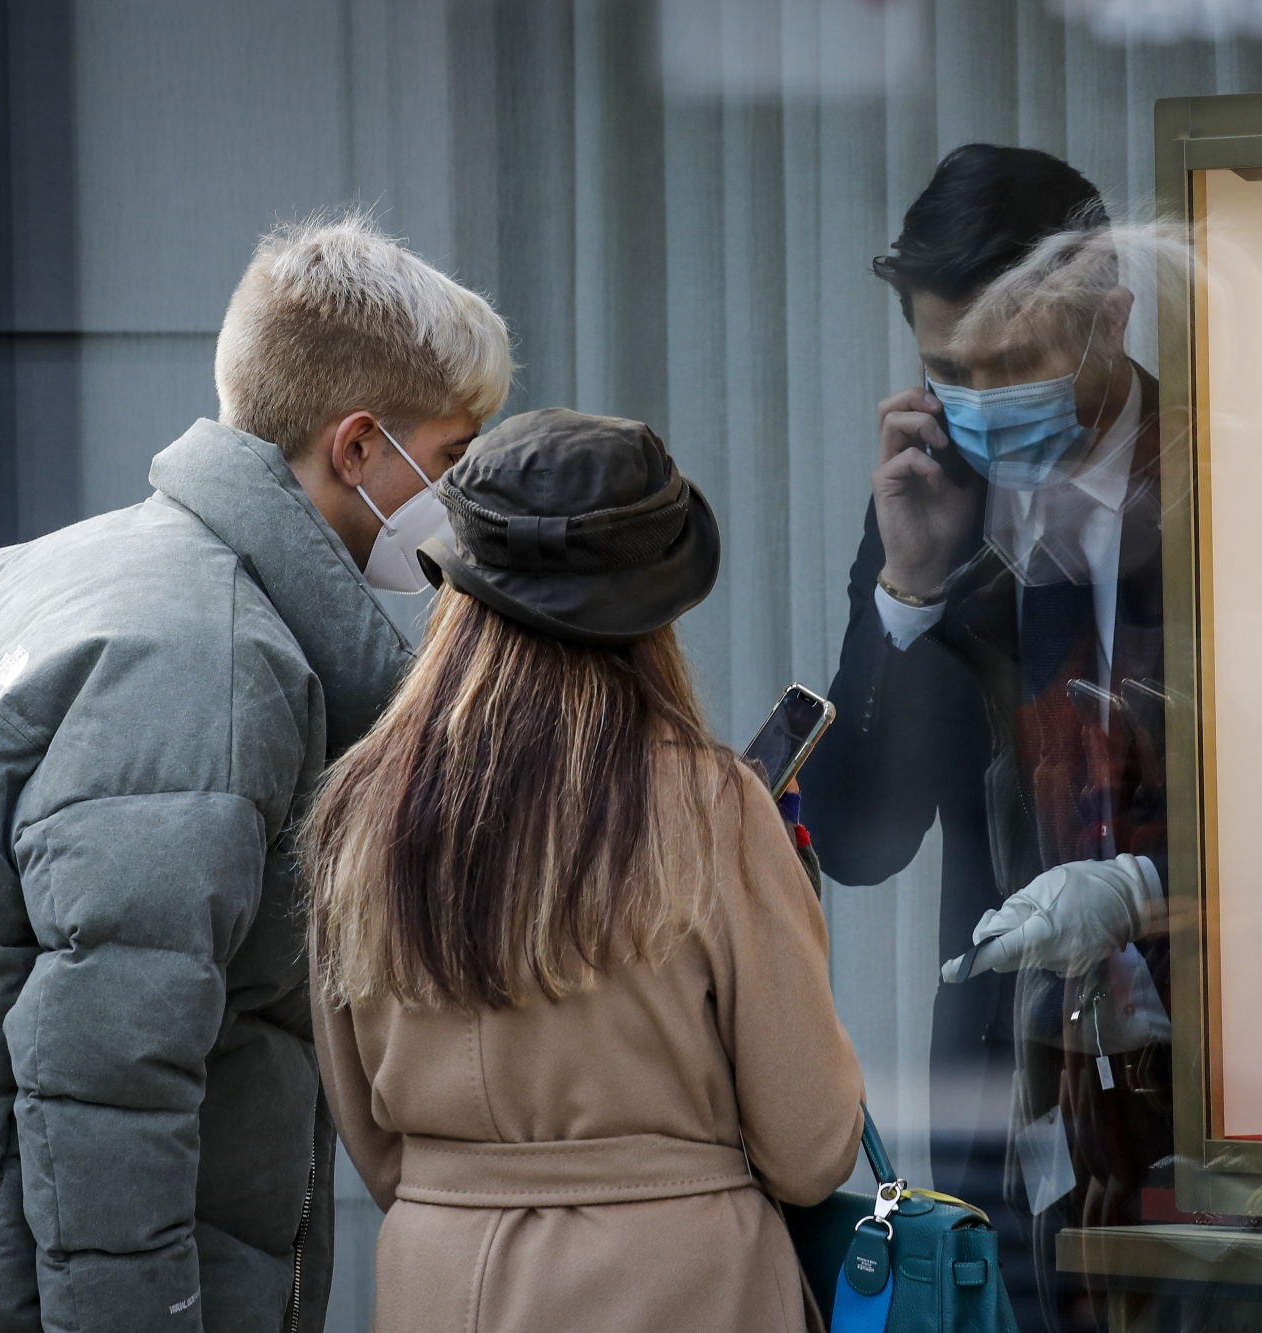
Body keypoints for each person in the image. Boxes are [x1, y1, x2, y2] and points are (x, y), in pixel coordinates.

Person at [0, 215, 510, 1333]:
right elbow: (109, 1073)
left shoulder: (32, 569)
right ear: (356, 449)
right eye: (447, 457)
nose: (459, 497)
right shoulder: (215, 662)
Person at [306, 408, 866, 1333]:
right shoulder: (716, 810)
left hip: (437, 1287)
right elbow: (811, 1147)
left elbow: (375, 1143)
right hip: (681, 1289)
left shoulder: (354, 809)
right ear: (656, 608)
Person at [803, 145, 1180, 1333]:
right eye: (943, 369)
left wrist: (1152, 887)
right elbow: (859, 838)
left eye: (1010, 364)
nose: (973, 401)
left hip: (1203, 1100)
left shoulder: (1225, 481)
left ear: (1109, 321)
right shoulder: (932, 498)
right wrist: (906, 593)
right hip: (1001, 1114)